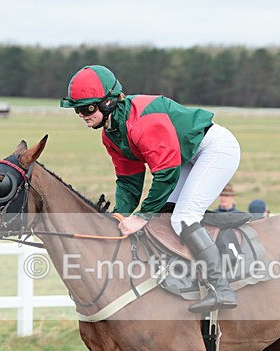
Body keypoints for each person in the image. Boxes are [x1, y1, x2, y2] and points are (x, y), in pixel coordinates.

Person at [60, 65, 241, 313]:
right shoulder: (111, 133)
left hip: (214, 149)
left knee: (184, 219)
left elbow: (165, 174)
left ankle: (221, 287)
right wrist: (120, 215)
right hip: (185, 157)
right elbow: (128, 180)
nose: (82, 114)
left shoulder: (143, 122)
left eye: (87, 108)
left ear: (109, 103)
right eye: (77, 110)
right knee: (164, 216)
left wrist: (141, 216)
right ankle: (183, 277)